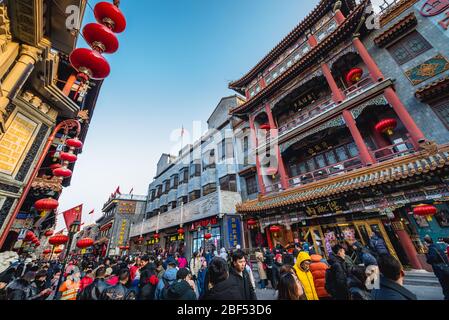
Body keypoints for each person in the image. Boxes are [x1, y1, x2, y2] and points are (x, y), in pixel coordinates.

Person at [423, 236, 449, 300]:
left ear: (426, 242)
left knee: (444, 284)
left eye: (424, 243)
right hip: (445, 267)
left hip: (440, 270)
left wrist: (426, 254)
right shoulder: (437, 246)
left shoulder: (431, 249)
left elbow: (431, 259)